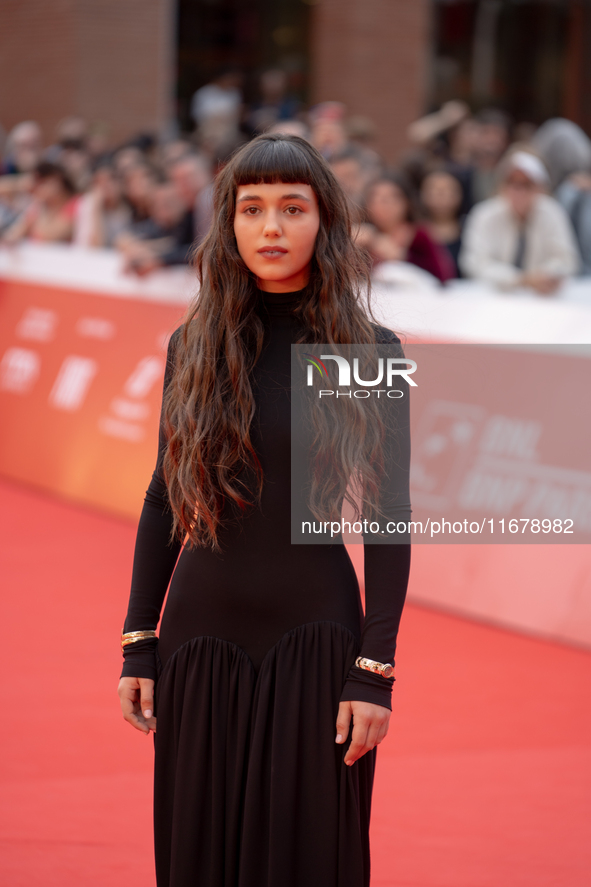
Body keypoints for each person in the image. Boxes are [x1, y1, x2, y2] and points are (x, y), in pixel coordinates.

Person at [117, 133, 412, 887]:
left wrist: (374, 671)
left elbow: (385, 516)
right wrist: (138, 642)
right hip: (199, 639)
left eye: (291, 207)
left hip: (316, 639)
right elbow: (164, 494)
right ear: (229, 223)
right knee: (200, 856)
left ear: (324, 222)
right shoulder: (196, 345)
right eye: (251, 209)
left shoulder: (364, 349)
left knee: (311, 857)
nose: (271, 227)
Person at [459, 149, 581, 293]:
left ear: (539, 187)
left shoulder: (552, 212)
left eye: (526, 185)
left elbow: (567, 260)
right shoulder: (484, 214)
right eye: (513, 183)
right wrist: (520, 279)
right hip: (495, 296)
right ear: (502, 186)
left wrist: (547, 275)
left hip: (542, 297)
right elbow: (473, 263)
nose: (519, 191)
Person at [359, 171, 456, 283]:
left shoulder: (419, 234)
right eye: (377, 198)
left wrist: (403, 257)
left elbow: (443, 275)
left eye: (392, 198)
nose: (384, 204)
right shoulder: (362, 235)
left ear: (406, 202)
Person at [1, 161, 78, 244]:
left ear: (58, 180)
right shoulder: (38, 206)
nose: (40, 187)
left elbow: (49, 237)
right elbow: (13, 234)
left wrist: (39, 202)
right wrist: (20, 183)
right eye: (39, 183)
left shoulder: (75, 203)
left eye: (44, 182)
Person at [420, 169, 465, 277]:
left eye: (447, 190)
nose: (440, 195)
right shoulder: (415, 231)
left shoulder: (469, 228)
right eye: (434, 190)